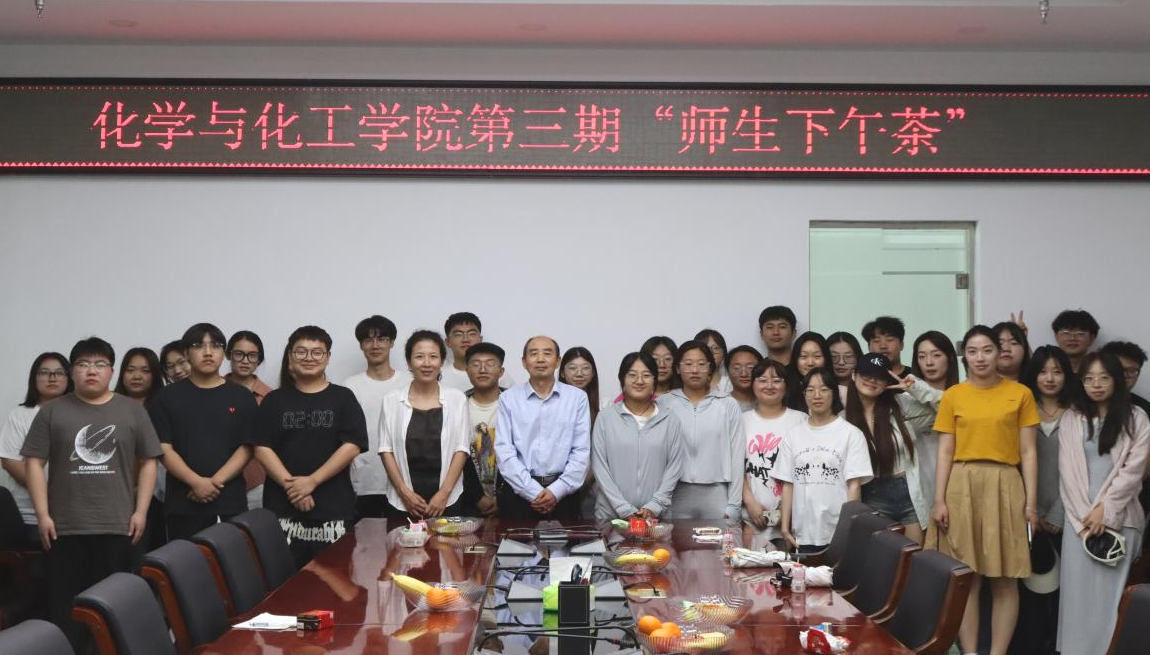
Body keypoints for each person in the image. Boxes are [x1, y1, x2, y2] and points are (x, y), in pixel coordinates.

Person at [21, 337, 162, 652]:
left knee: (115, 610)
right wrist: (43, 515)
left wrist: (141, 512)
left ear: (111, 370)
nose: (92, 370)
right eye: (83, 364)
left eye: (100, 364)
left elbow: (149, 462)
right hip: (64, 528)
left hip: (118, 525)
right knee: (66, 611)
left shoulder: (133, 411)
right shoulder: (52, 411)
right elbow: (33, 463)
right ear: (73, 371)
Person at [927, 325, 1039, 655]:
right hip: (961, 483)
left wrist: (1031, 504)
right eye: (972, 351)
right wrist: (939, 499)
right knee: (968, 577)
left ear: (998, 354)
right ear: (964, 356)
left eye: (987, 350)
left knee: (1006, 577)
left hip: (1006, 482)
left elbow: (1029, 452)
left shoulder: (1020, 393)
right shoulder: (954, 395)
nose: (980, 358)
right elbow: (945, 451)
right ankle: (971, 652)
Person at [250, 326, 368, 567]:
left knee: (334, 577)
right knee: (283, 579)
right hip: (282, 509)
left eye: (317, 352)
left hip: (333, 509)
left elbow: (352, 445)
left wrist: (312, 481)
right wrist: (294, 488)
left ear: (328, 357)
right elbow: (261, 448)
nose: (309, 358)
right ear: (290, 355)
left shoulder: (343, 398)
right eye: (301, 351)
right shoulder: (274, 400)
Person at [1057, 351, 1149, 655]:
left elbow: (1133, 472)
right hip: (1079, 524)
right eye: (1089, 378)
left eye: (1104, 378)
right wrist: (1085, 519)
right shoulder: (1071, 418)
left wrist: (1105, 512)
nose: (1096, 384)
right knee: (1076, 600)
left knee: (1111, 602)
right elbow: (1068, 474)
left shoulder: (1136, 417)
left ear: (1117, 379)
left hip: (1121, 521)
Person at [147, 323, 256, 541]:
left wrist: (213, 483)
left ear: (224, 353)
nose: (208, 352)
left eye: (215, 345)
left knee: (234, 560)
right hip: (183, 502)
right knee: (183, 561)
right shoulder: (165, 397)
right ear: (186, 353)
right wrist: (196, 482)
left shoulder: (242, 396)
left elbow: (247, 447)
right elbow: (163, 448)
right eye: (198, 346)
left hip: (230, 500)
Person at [1014, 345, 1076, 655]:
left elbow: (1081, 473)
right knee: (1030, 590)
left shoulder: (1080, 412)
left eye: (1057, 371)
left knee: (1068, 593)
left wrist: (1057, 513)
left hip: (1071, 514)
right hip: (1027, 514)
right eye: (1042, 371)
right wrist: (1032, 510)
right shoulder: (1020, 410)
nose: (1049, 378)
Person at [774, 368, 871, 552]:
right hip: (802, 533)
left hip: (838, 531)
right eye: (810, 390)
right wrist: (785, 528)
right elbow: (788, 484)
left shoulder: (851, 434)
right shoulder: (793, 435)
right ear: (804, 394)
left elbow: (854, 486)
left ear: (834, 393)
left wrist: (848, 529)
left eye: (824, 389)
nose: (816, 395)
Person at [494, 336, 590, 520]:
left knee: (567, 540)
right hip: (519, 494)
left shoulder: (577, 398)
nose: (540, 359)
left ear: (558, 361)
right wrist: (532, 491)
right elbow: (504, 450)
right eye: (533, 353)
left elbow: (581, 451)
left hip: (564, 495)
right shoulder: (508, 399)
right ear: (524, 362)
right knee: (517, 539)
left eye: (547, 353)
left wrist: (556, 491)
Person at [379, 330, 470, 521]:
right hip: (402, 502)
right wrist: (404, 493)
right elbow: (386, 450)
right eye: (419, 357)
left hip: (448, 500)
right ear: (409, 362)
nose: (427, 363)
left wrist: (444, 494)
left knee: (447, 542)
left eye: (433, 356)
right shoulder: (391, 400)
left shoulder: (457, 399)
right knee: (400, 542)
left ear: (442, 361)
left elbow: (461, 449)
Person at [591, 352, 685, 520]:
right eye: (632, 375)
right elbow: (600, 467)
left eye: (646, 375)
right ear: (622, 380)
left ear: (655, 380)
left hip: (655, 517)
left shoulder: (669, 419)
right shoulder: (606, 418)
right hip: (612, 516)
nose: (639, 381)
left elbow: (674, 467)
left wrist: (655, 506)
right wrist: (624, 508)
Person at [658, 340, 743, 525]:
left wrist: (734, 503)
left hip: (717, 493)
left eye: (701, 364)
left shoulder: (727, 404)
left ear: (710, 368)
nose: (695, 370)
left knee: (718, 544)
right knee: (674, 543)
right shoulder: (664, 404)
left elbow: (737, 456)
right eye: (688, 364)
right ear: (678, 368)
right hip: (674, 493)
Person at [846, 353, 926, 542]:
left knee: (913, 556)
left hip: (907, 491)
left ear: (887, 382)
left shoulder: (901, 404)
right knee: (881, 557)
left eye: (879, 377)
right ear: (854, 375)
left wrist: (914, 387)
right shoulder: (843, 415)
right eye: (867, 374)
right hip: (871, 493)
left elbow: (944, 407)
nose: (872, 380)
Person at [342, 315, 412, 520]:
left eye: (382, 339)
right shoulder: (350, 386)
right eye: (368, 340)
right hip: (363, 481)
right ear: (361, 346)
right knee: (364, 538)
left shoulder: (409, 382)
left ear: (392, 343)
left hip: (406, 481)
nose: (375, 345)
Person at [0, 352, 72, 547]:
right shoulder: (20, 414)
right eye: (44, 372)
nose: (52, 378)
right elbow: (10, 462)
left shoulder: (81, 414)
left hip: (72, 514)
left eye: (59, 373)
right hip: (26, 515)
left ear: (70, 377)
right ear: (34, 378)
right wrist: (47, 494)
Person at [741, 358, 806, 549]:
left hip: (791, 520)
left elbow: (804, 469)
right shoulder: (741, 420)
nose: (769, 386)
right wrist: (750, 502)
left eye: (777, 381)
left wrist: (785, 510)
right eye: (762, 380)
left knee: (785, 567)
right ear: (753, 384)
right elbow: (735, 466)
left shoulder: (800, 420)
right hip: (750, 518)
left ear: (786, 386)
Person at [904, 331, 959, 510]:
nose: (929, 362)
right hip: (919, 485)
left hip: (958, 480)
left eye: (936, 355)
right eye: (922, 356)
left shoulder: (963, 396)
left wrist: (921, 390)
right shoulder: (906, 399)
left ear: (950, 358)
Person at [225, 330, 274, 510]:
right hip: (215, 478)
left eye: (252, 355)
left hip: (258, 481)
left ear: (259, 360)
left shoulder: (270, 396)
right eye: (239, 354)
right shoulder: (214, 390)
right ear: (228, 355)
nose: (245, 361)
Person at [459, 342, 506, 517]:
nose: (483, 369)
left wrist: (503, 498)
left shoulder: (515, 404)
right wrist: (477, 497)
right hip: (465, 501)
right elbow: (451, 456)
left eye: (490, 364)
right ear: (467, 370)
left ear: (501, 371)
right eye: (476, 364)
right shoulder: (456, 405)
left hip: (511, 499)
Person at [558, 346, 602, 519]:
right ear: (562, 373)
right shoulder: (552, 405)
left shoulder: (603, 407)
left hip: (592, 483)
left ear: (593, 373)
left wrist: (587, 478)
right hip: (557, 483)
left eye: (585, 368)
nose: (579, 373)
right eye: (572, 368)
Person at [440, 312, 514, 391]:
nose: (465, 339)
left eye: (471, 334)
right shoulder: (439, 376)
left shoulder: (499, 376)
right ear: (448, 342)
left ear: (480, 339)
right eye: (458, 334)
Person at [786, 332, 833, 412]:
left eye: (817, 356)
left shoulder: (837, 390)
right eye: (803, 356)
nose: (810, 363)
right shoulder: (784, 388)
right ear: (795, 359)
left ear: (826, 359)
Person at [1100, 341, 1149, 415]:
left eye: (1131, 371)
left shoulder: (1145, 409)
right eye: (1118, 369)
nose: (1124, 376)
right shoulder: (1083, 403)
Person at [1052, 309, 1100, 374]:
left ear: (1092, 338)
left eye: (1080, 333)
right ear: (1056, 337)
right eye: (1066, 333)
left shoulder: (1100, 371)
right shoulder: (1046, 372)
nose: (1072, 338)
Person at [725, 345, 763, 411]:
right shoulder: (721, 404)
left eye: (750, 367)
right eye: (737, 368)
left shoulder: (769, 402)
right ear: (728, 370)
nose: (744, 374)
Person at [695, 329, 732, 394]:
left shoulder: (732, 384)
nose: (711, 352)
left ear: (724, 354)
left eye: (716, 348)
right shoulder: (686, 385)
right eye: (705, 348)